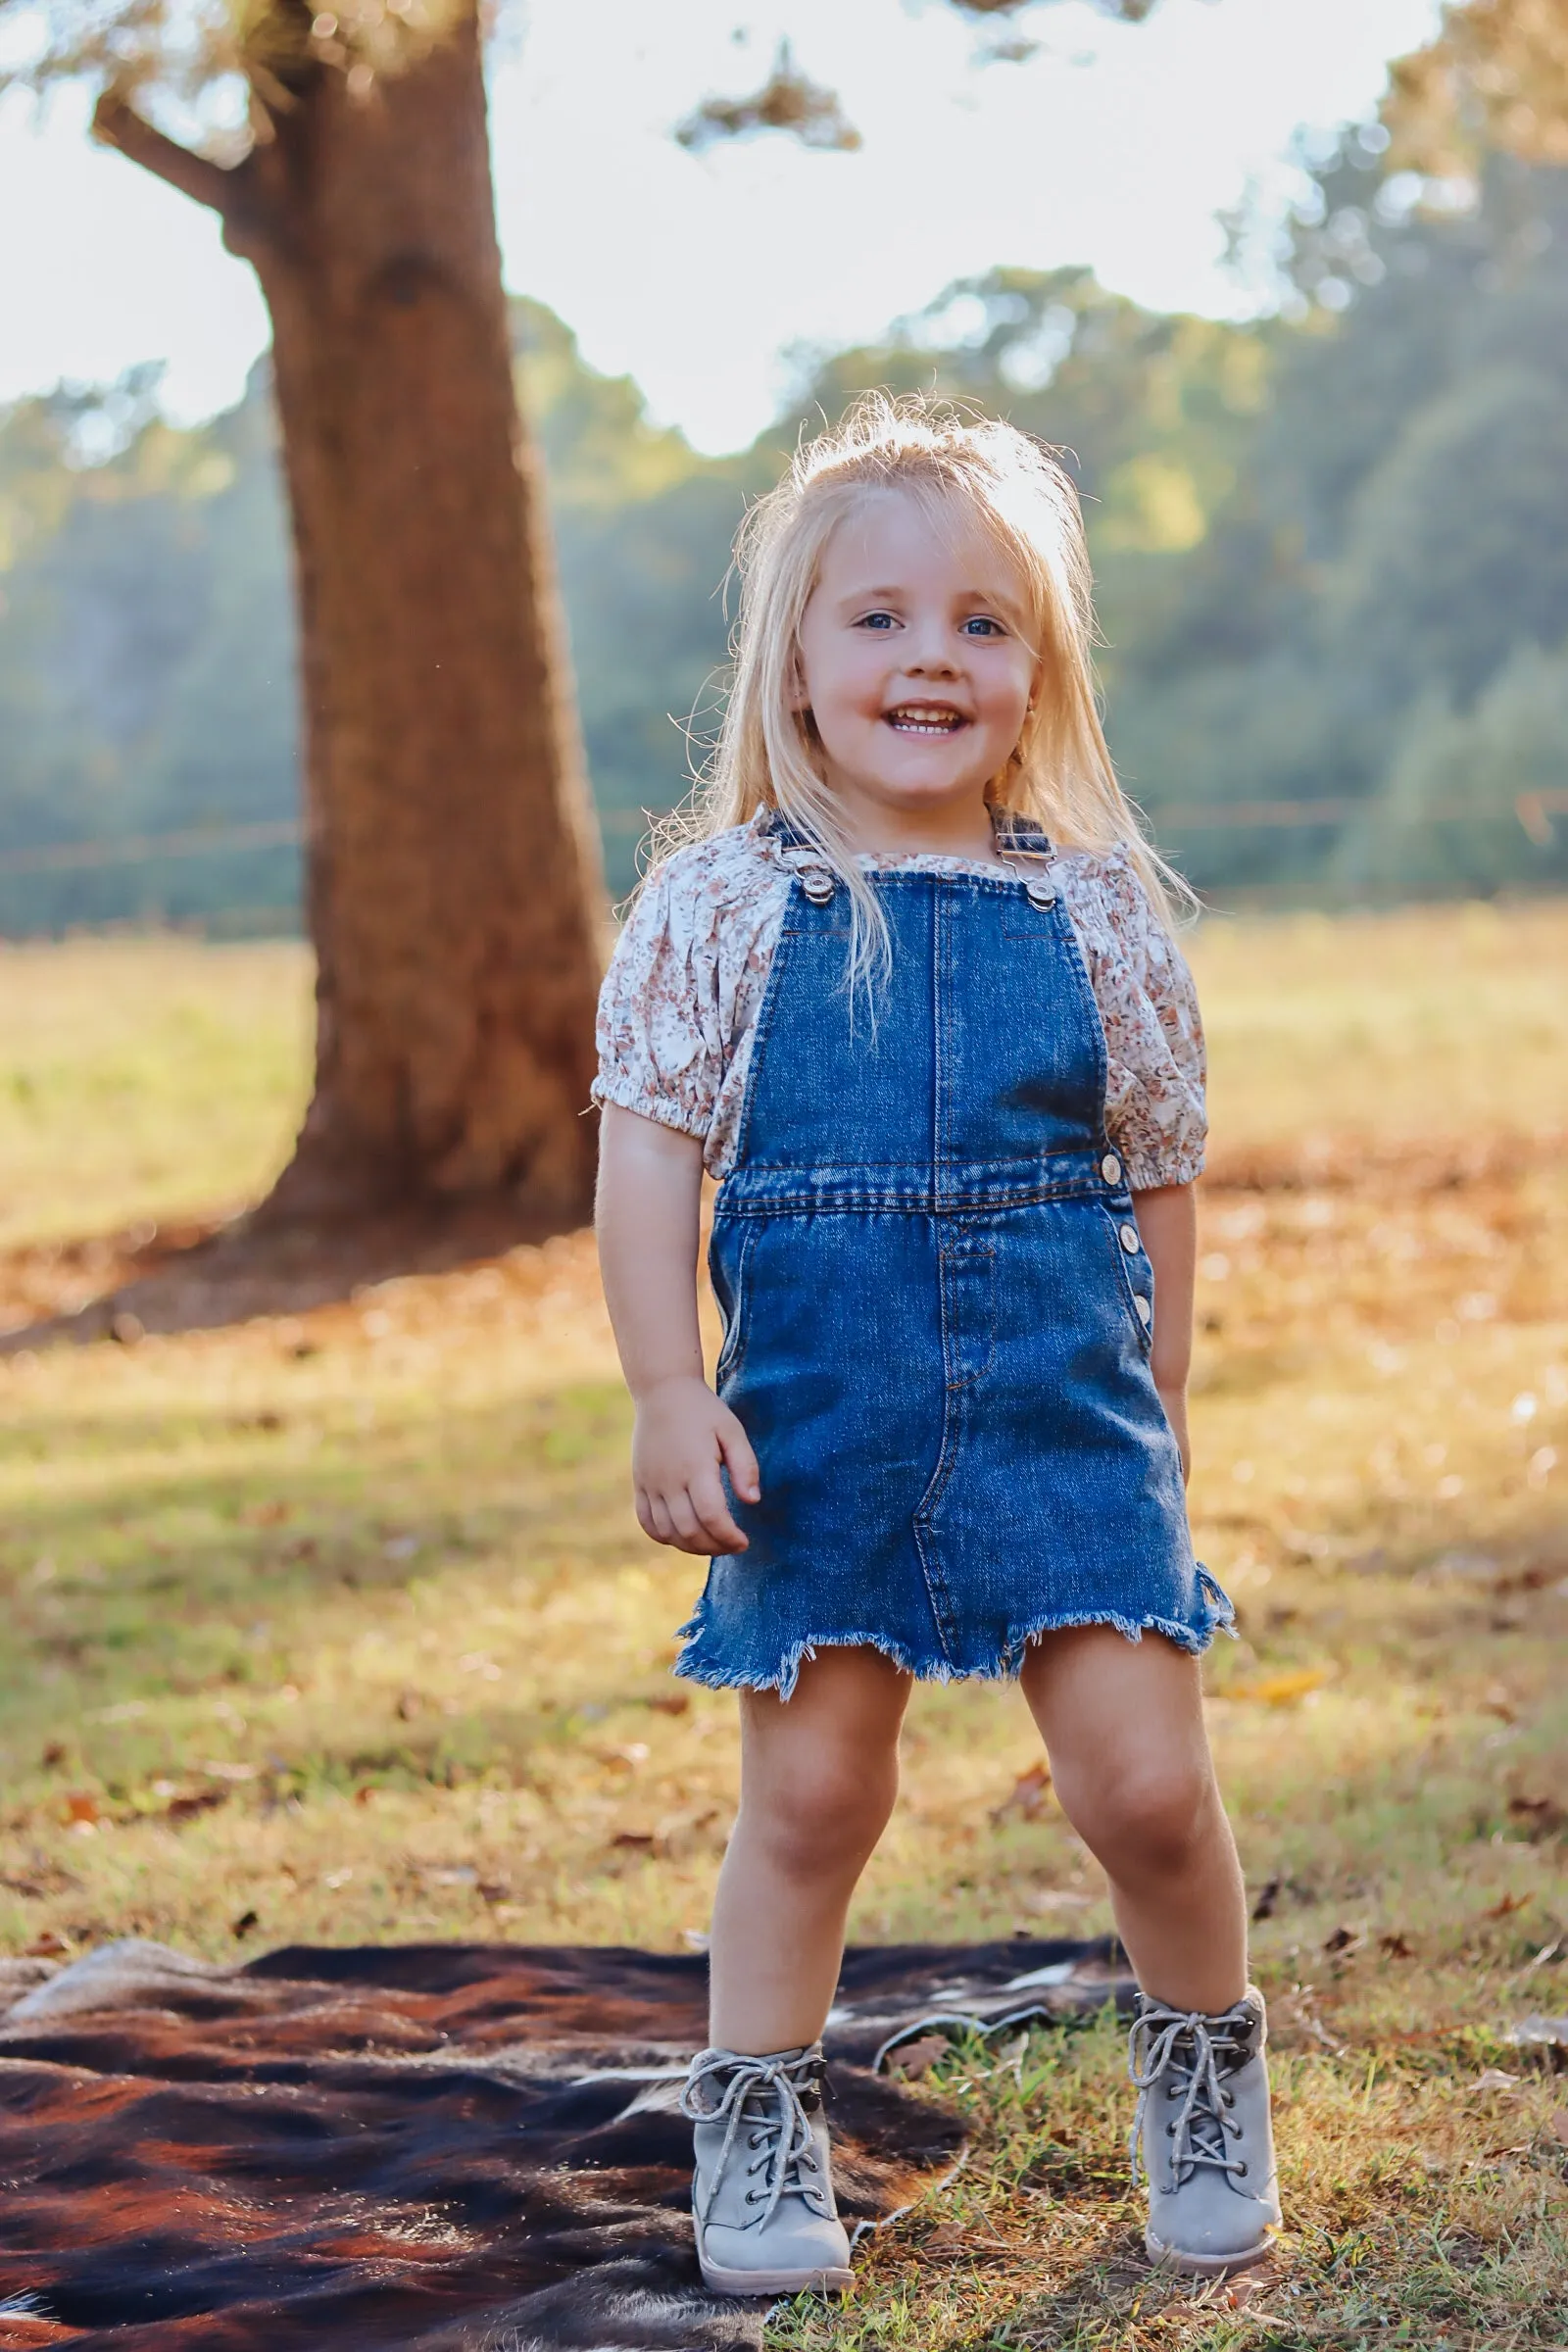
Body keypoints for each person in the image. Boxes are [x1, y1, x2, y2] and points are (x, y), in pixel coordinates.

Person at [592, 394, 1279, 2297]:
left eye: (980, 622)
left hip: (1068, 1413)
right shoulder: (720, 900)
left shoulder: (1090, 905)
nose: (929, 658)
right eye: (878, 618)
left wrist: (1163, 1417)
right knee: (811, 1795)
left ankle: (1205, 2065)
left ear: (1037, 659)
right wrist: (667, 1387)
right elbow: (644, 1162)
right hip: (819, 1417)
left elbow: (1156, 1180)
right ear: (795, 662)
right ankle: (753, 2113)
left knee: (1143, 1787)